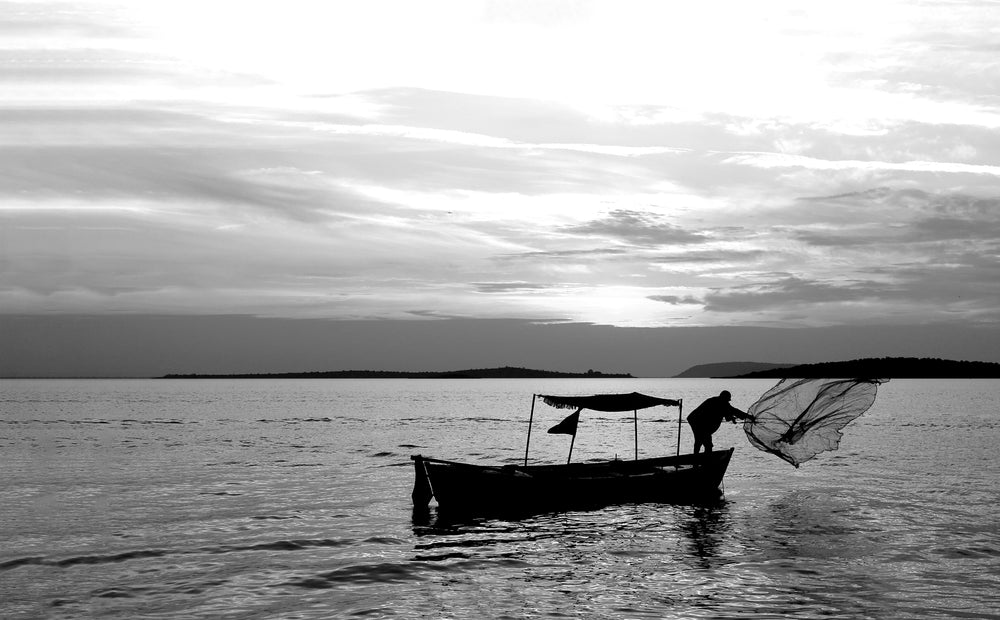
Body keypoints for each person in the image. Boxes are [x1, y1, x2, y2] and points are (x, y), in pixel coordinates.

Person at [687, 390, 752, 454]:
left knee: (700, 441)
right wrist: (748, 416)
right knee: (705, 443)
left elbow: (728, 414)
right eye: (727, 400)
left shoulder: (721, 402)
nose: (728, 402)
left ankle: (697, 459)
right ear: (724, 398)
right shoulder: (717, 402)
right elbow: (734, 411)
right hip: (697, 421)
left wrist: (733, 418)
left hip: (698, 421)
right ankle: (702, 460)